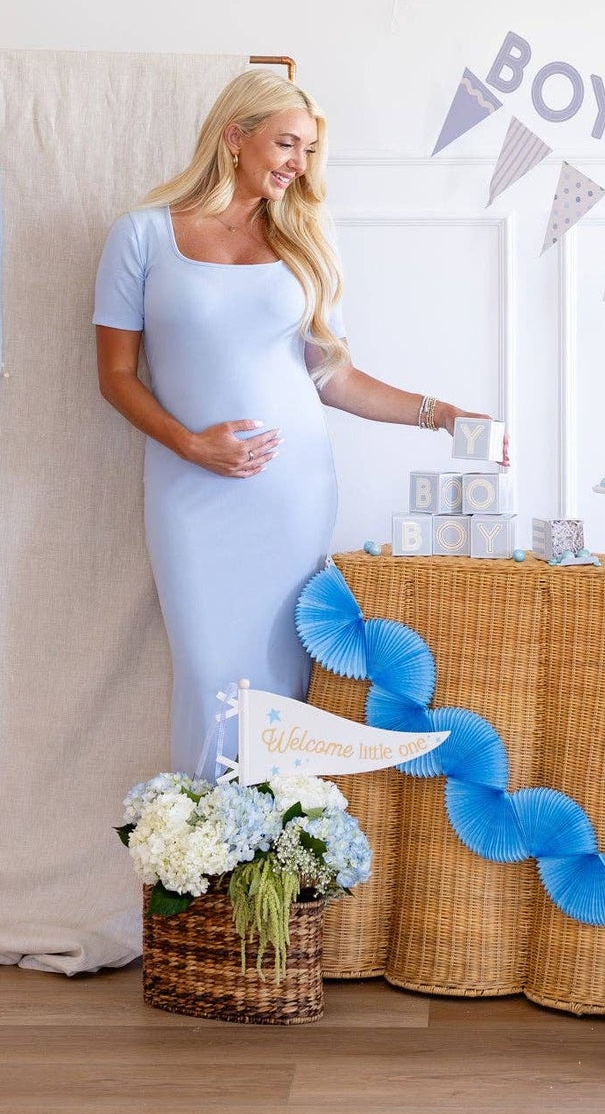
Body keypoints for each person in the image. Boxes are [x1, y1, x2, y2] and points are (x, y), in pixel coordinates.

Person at [92, 67, 509, 777]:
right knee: (206, 675)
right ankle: (203, 861)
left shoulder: (305, 239)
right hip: (189, 493)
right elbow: (116, 376)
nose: (298, 162)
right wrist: (191, 444)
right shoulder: (141, 235)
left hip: (293, 492)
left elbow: (333, 377)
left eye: (309, 150)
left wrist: (441, 415)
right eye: (286, 143)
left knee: (281, 680)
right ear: (235, 136)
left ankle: (272, 871)